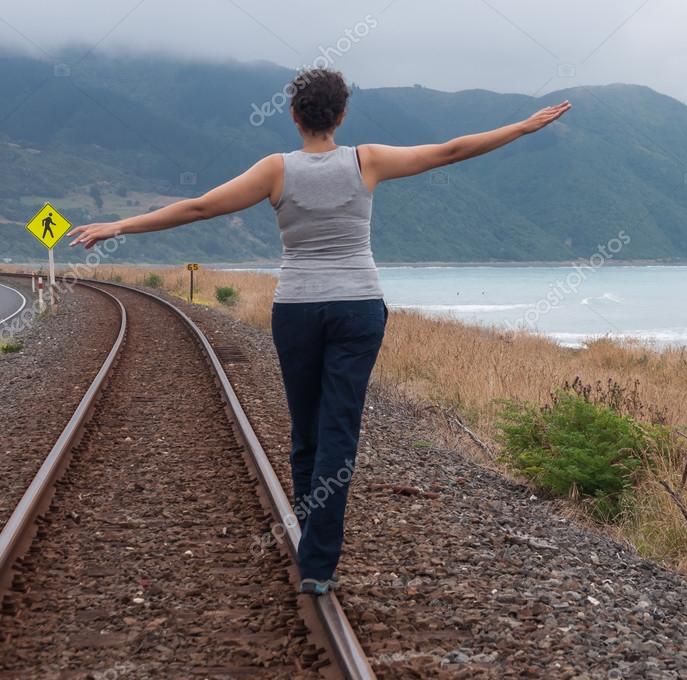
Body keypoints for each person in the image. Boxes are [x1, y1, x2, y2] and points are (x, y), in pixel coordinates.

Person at [69, 68, 571, 596]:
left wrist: (120, 225)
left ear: (294, 115)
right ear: (342, 115)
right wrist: (520, 127)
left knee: (306, 430)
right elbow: (449, 151)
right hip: (358, 309)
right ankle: (318, 561)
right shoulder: (366, 159)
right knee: (339, 430)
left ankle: (312, 547)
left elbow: (199, 208)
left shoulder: (275, 170)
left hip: (299, 309)